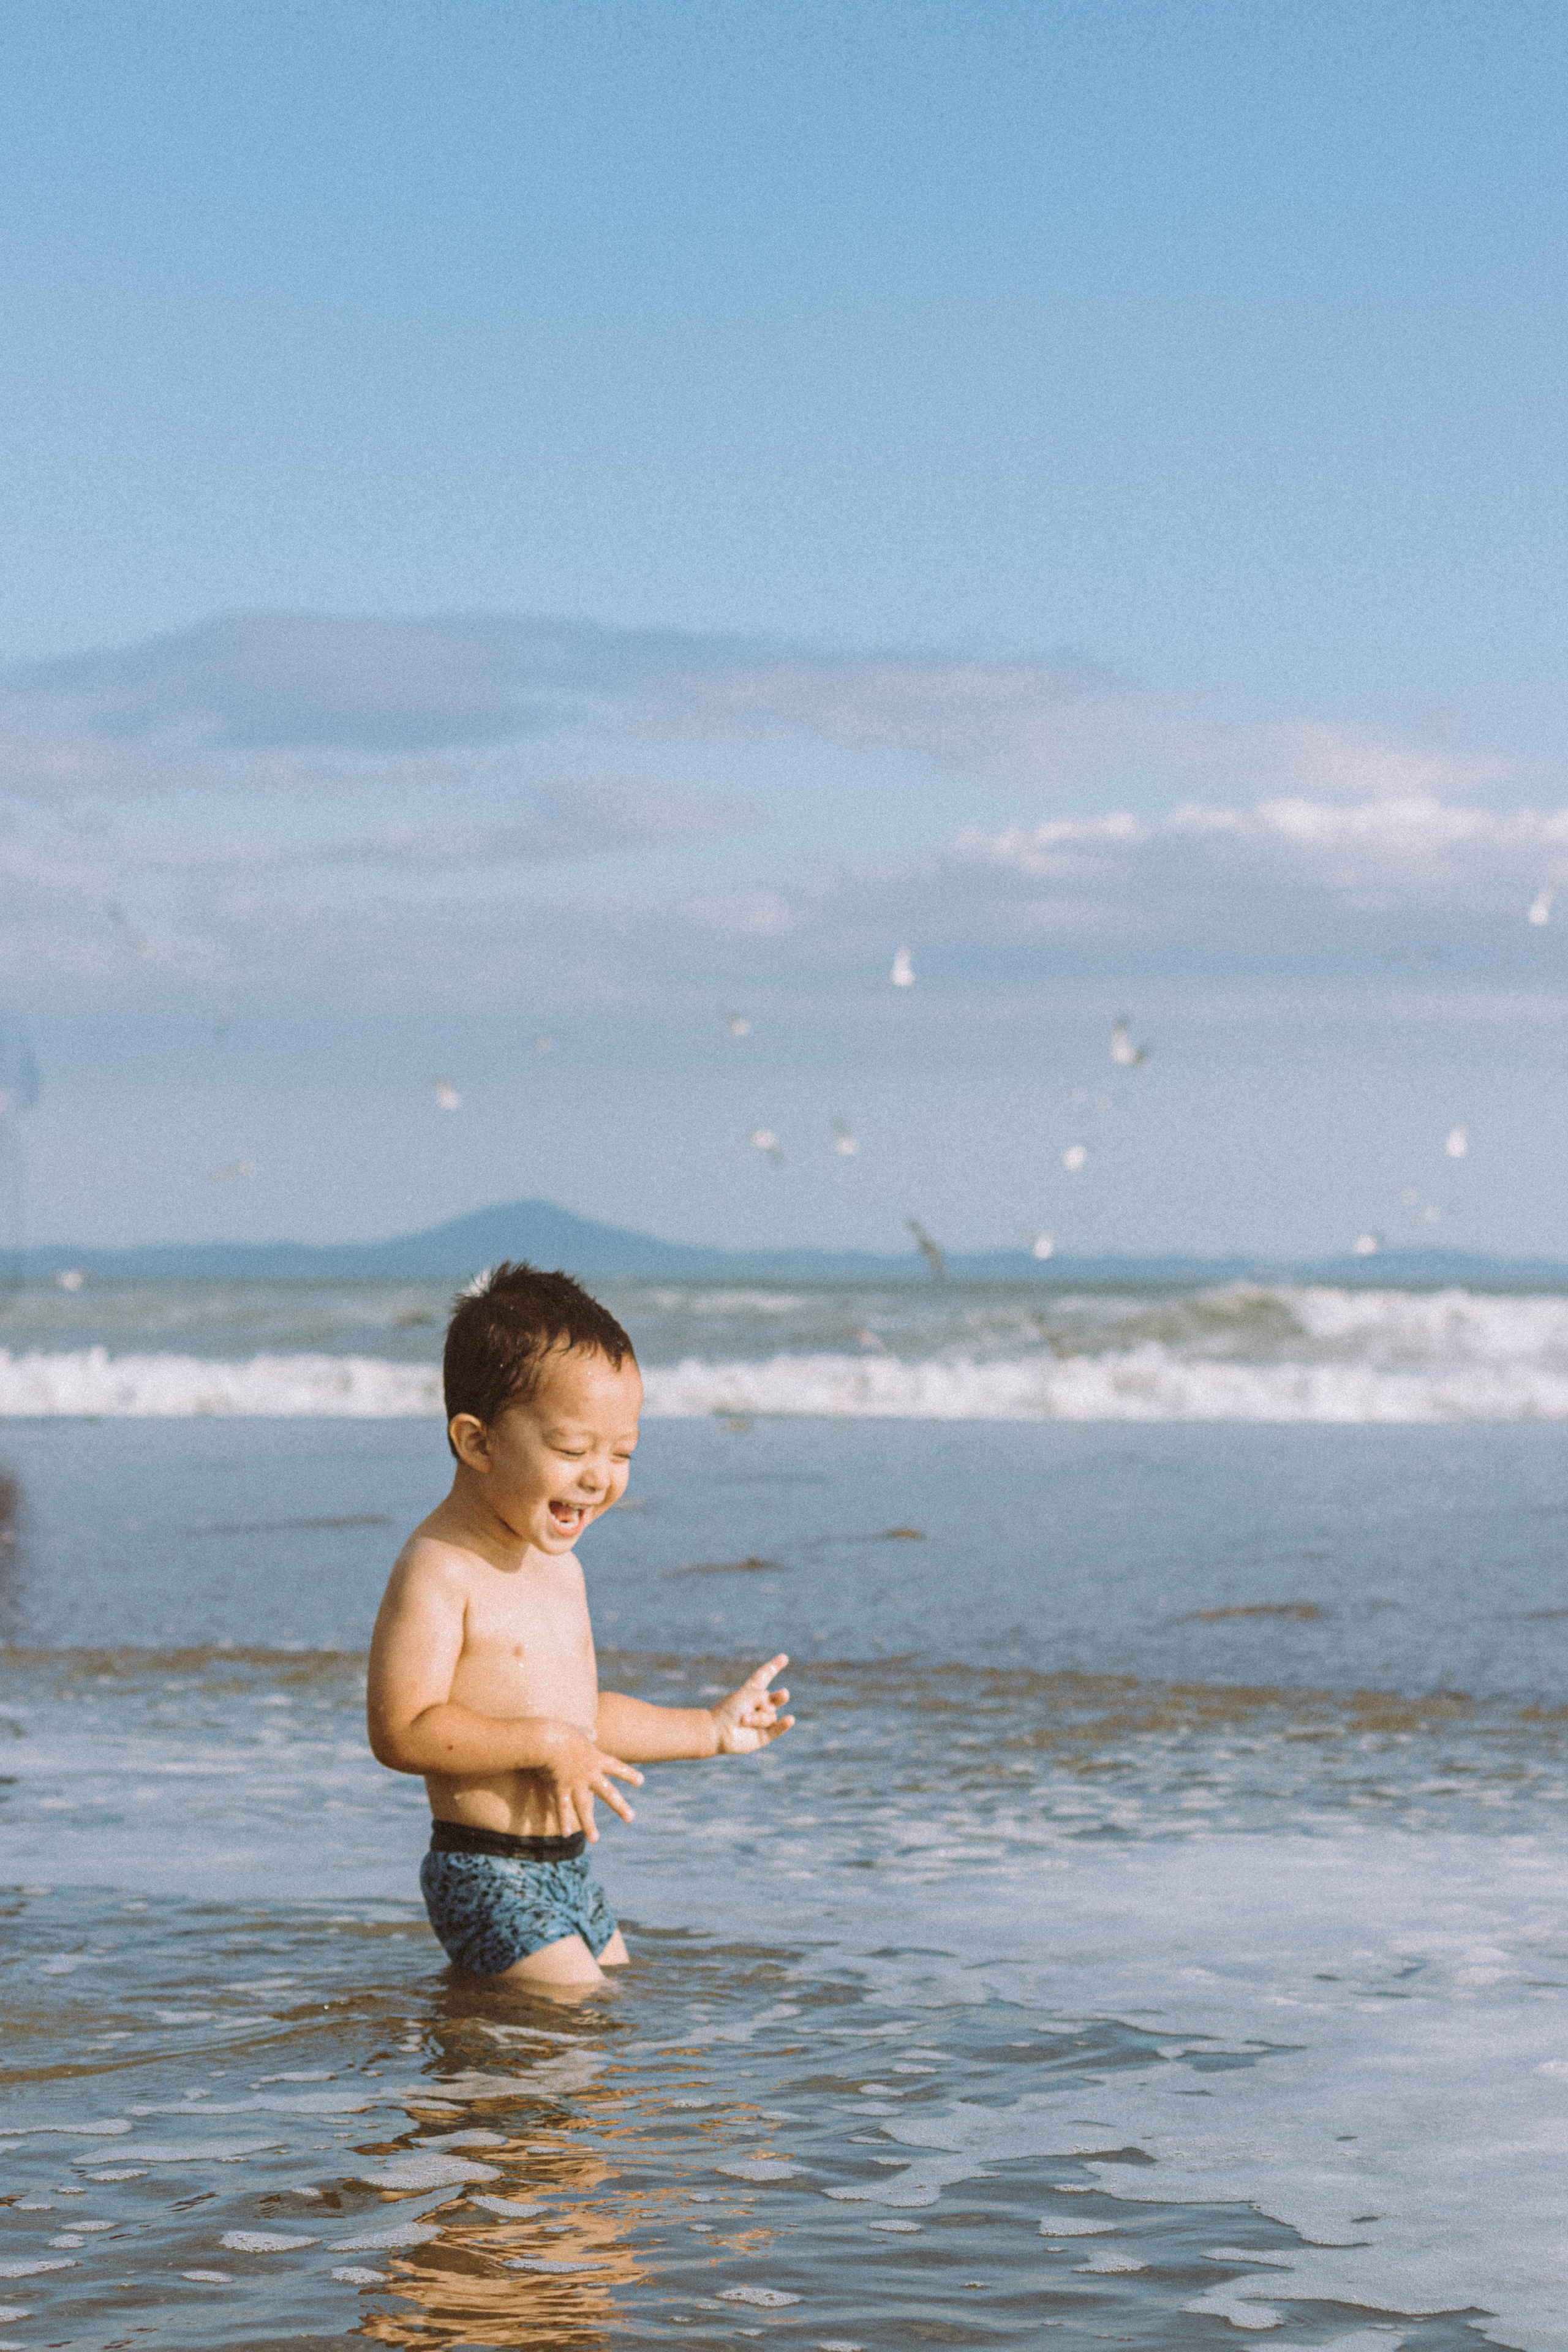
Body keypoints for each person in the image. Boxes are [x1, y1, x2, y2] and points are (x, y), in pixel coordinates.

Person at [366, 1261, 793, 1990]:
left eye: (621, 1452)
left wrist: (709, 1731)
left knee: (601, 2037)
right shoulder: (441, 1568)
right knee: (575, 2024)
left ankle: (468, 2080)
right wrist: (545, 1743)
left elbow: (581, 1722)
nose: (600, 1476)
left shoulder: (560, 1568)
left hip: (572, 1870)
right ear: (478, 1443)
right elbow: (402, 1730)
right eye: (571, 1450)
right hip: (485, 1867)